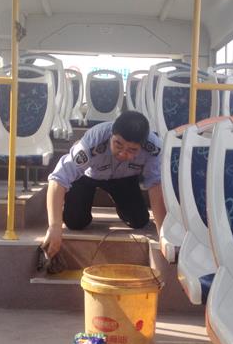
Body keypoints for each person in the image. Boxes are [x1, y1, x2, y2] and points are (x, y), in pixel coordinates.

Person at [42, 110, 165, 258]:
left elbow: (155, 185)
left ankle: (124, 208)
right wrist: (54, 226)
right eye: (118, 145)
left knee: (139, 221)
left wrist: (163, 234)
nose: (123, 153)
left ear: (142, 145)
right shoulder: (93, 141)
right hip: (87, 176)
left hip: (125, 178)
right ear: (111, 135)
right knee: (75, 222)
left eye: (132, 150)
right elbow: (58, 178)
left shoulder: (154, 148)